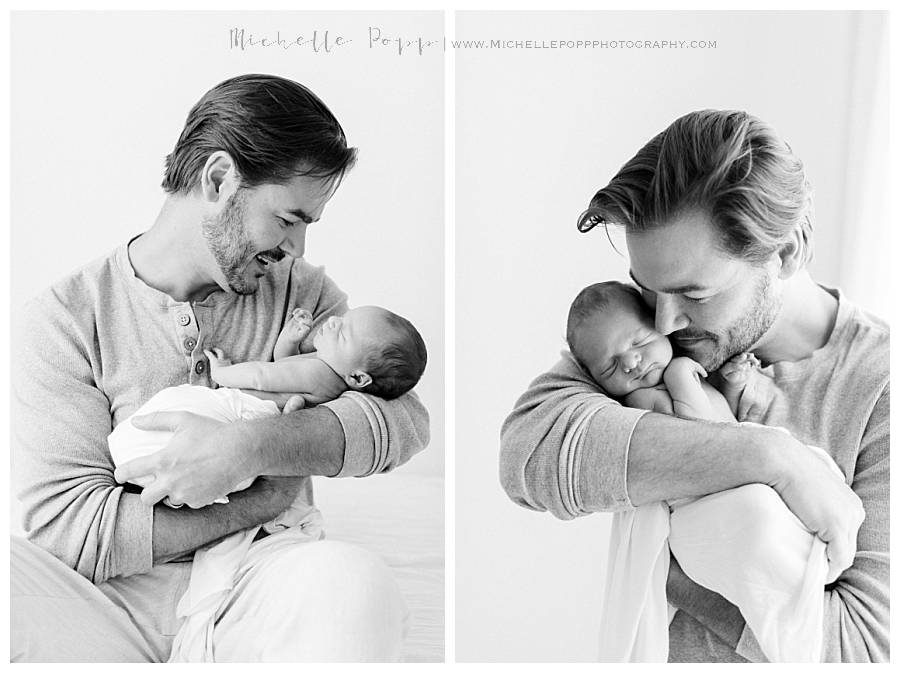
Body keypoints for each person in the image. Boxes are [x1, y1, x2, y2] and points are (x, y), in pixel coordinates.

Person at [11, 73, 430, 662]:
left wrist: (250, 448)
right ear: (218, 180)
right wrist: (260, 498)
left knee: (354, 586)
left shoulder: (302, 299)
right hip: (104, 610)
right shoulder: (63, 321)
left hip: (252, 586)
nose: (298, 248)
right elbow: (72, 533)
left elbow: (401, 421)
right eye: (289, 220)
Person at [500, 109, 889, 662]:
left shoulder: (879, 386)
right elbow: (530, 454)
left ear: (787, 252)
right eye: (648, 290)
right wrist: (769, 458)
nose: (664, 321)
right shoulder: (649, 342)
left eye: (693, 293)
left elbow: (862, 651)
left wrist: (677, 564)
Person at [567, 280, 842, 662]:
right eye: (610, 366)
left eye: (639, 342)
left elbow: (723, 421)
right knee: (756, 521)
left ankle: (810, 558)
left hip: (742, 469)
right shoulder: (640, 399)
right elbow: (692, 431)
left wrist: (730, 385)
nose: (630, 362)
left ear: (660, 328)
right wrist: (681, 375)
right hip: (705, 505)